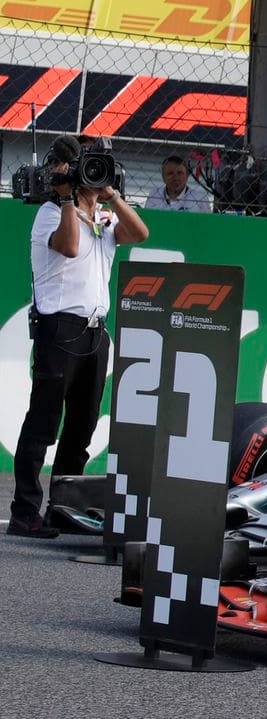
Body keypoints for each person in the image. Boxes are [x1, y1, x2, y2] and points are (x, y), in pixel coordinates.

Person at [10, 135, 149, 538]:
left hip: (95, 332)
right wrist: (69, 197)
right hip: (60, 330)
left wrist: (111, 195)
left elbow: (140, 233)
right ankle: (24, 512)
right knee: (43, 423)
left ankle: (64, 510)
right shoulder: (51, 214)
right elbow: (69, 248)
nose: (91, 175)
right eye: (85, 167)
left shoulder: (105, 217)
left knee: (82, 426)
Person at [144, 154, 213, 212]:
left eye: (180, 173)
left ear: (187, 176)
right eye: (170, 173)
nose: (175, 178)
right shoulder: (154, 194)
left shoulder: (200, 199)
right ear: (163, 177)